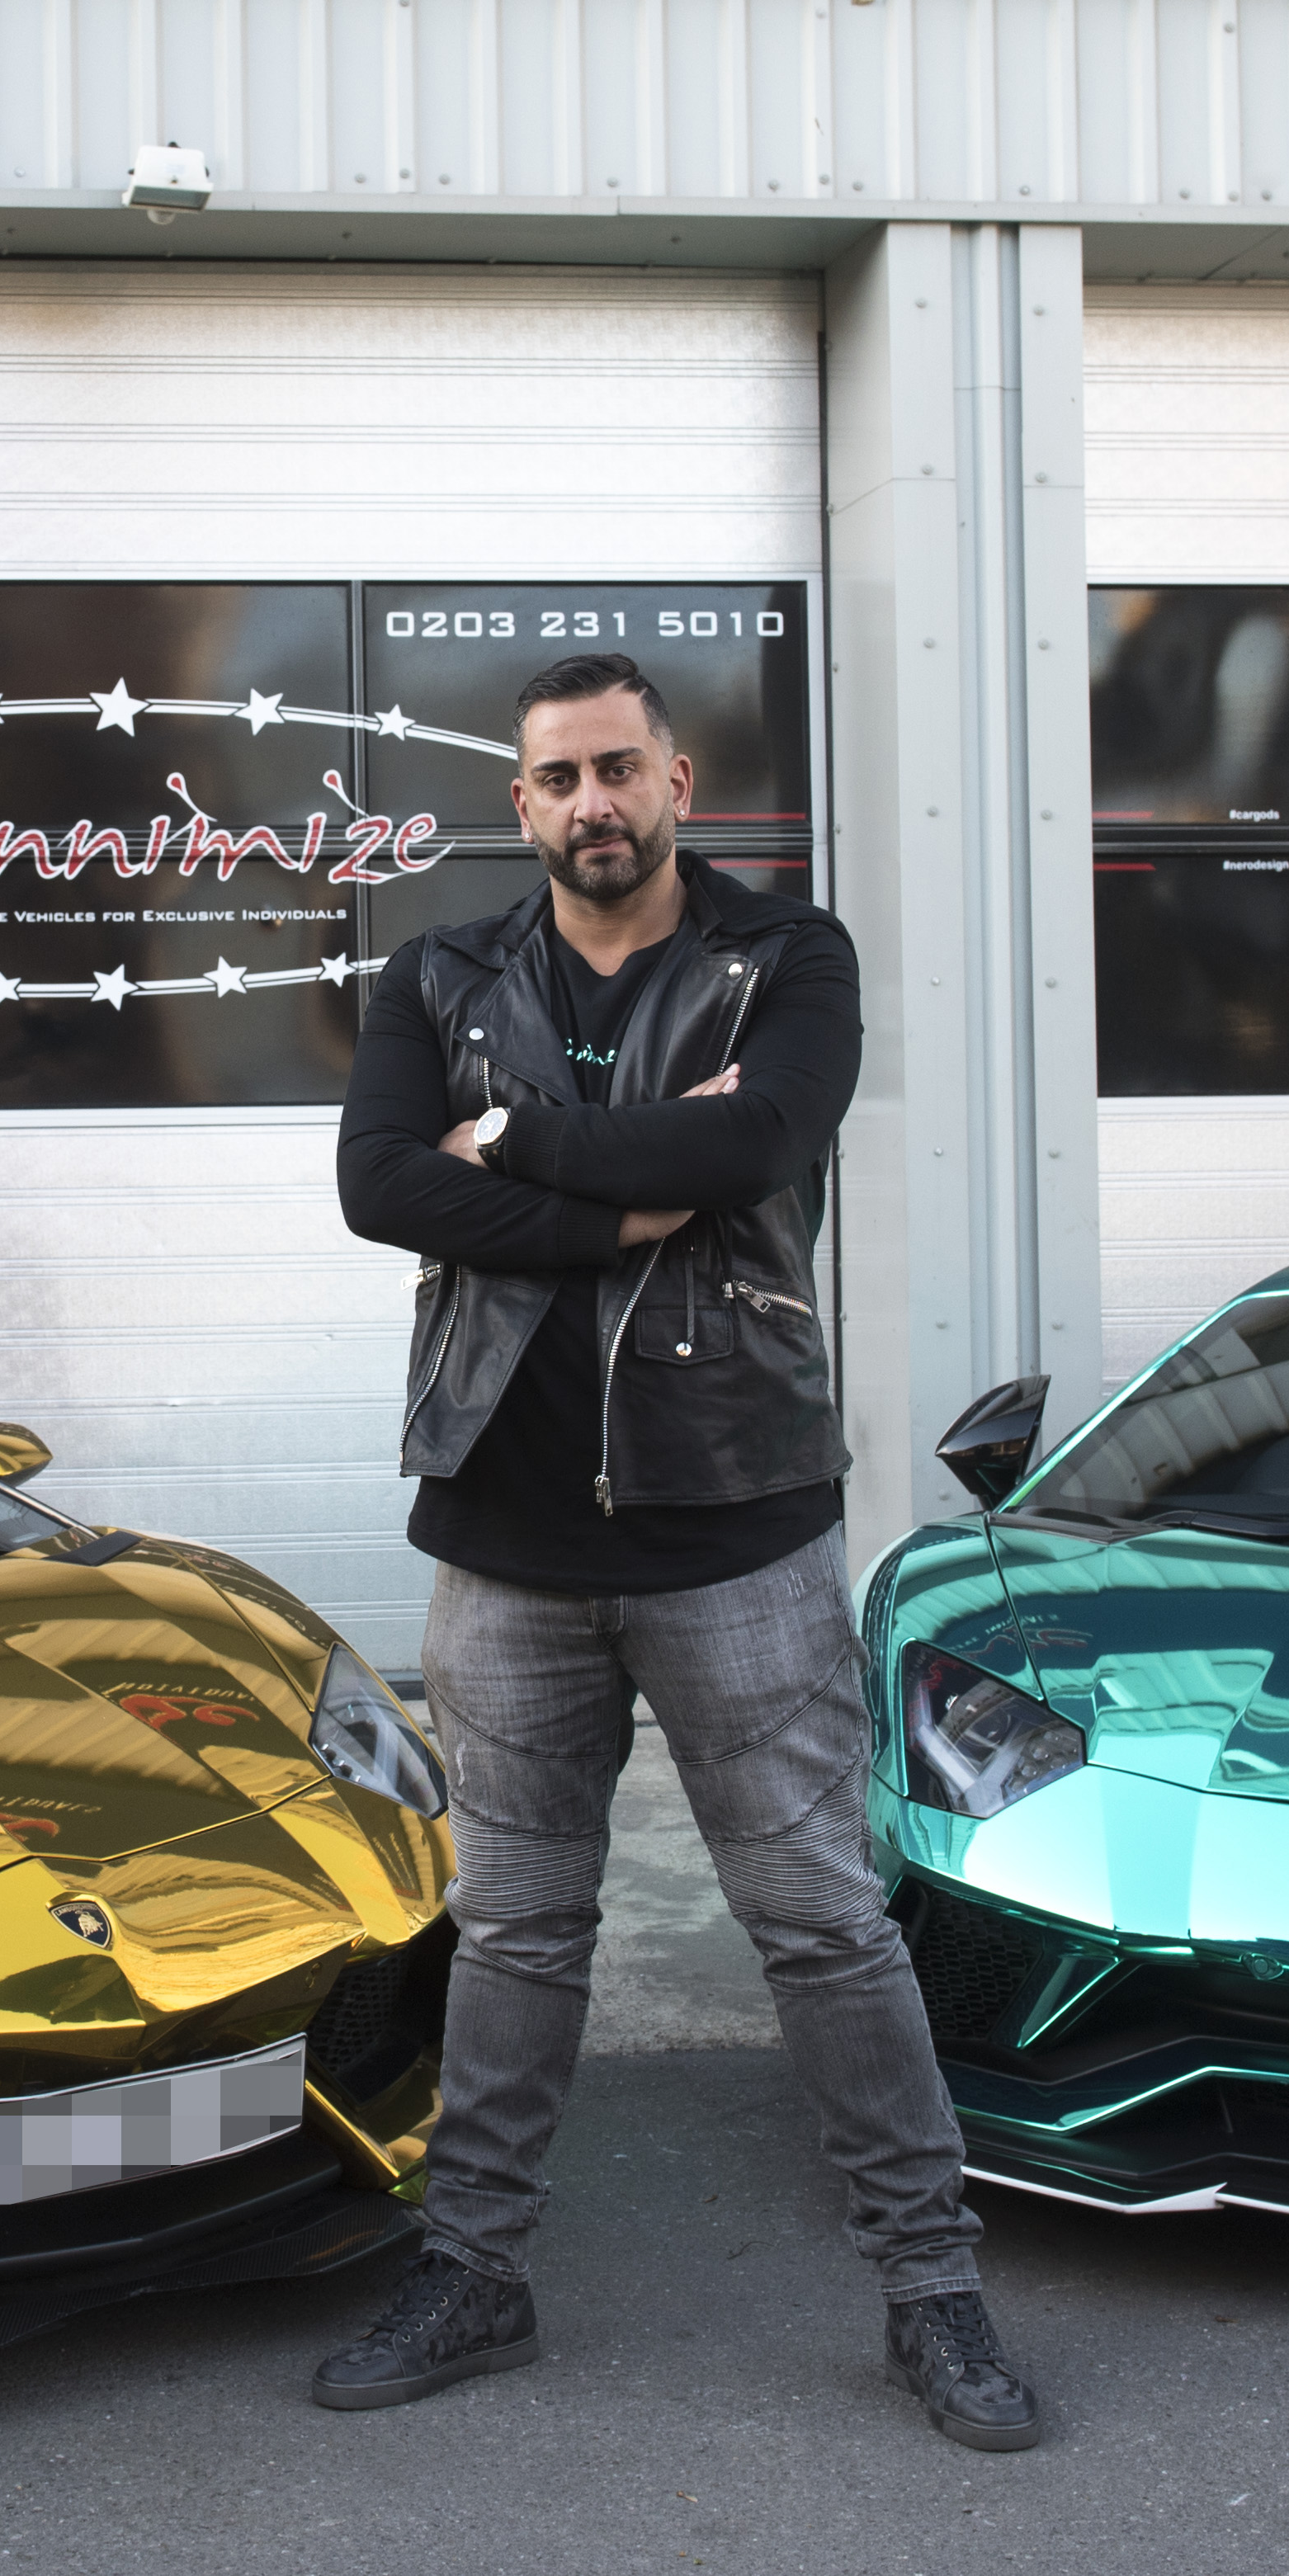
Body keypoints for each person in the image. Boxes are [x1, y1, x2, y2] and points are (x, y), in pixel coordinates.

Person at [309, 651, 1041, 2451]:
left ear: (678, 781)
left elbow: (769, 1138)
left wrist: (532, 1145)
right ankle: (475, 2271)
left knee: (817, 1925)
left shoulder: (786, 961)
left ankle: (931, 2292)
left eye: (618, 770)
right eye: (557, 781)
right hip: (503, 1538)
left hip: (733, 1529)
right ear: (522, 805)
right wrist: (634, 1187)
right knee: (520, 1932)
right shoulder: (439, 972)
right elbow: (380, 1185)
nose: (592, 806)